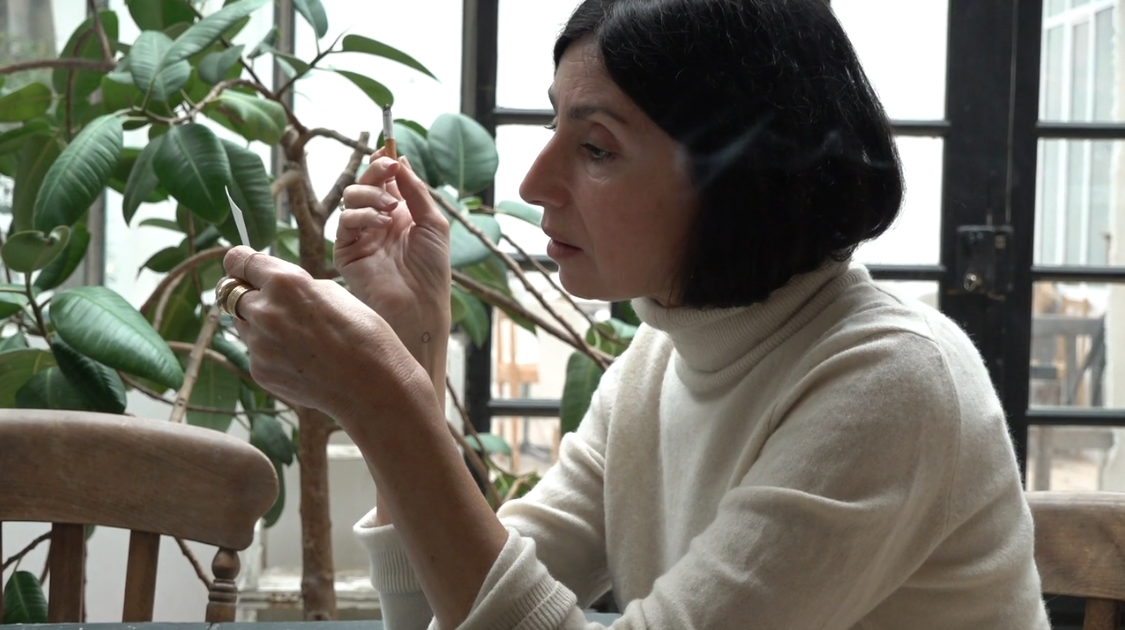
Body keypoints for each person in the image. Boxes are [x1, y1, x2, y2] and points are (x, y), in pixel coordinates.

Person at [219, 0, 1052, 627]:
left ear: (739, 177)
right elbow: (456, 610)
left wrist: (384, 399)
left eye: (595, 147)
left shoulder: (893, 381)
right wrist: (413, 352)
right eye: (554, 121)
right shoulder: (656, 366)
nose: (533, 182)